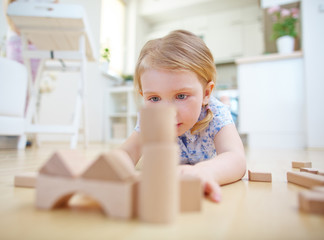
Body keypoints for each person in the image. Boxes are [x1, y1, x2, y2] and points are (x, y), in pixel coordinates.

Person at [120, 30, 246, 202]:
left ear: (206, 93)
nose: (168, 113)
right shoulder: (150, 117)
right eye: (154, 98)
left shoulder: (217, 113)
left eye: (181, 96)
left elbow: (236, 158)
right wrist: (111, 166)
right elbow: (127, 152)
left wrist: (205, 171)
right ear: (144, 96)